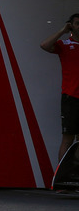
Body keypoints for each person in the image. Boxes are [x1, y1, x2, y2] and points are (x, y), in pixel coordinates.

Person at [40, 13, 79, 162]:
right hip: (71, 98)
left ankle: (74, 175)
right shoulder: (64, 45)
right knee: (68, 139)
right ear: (71, 25)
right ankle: (61, 181)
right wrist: (62, 31)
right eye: (77, 24)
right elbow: (44, 45)